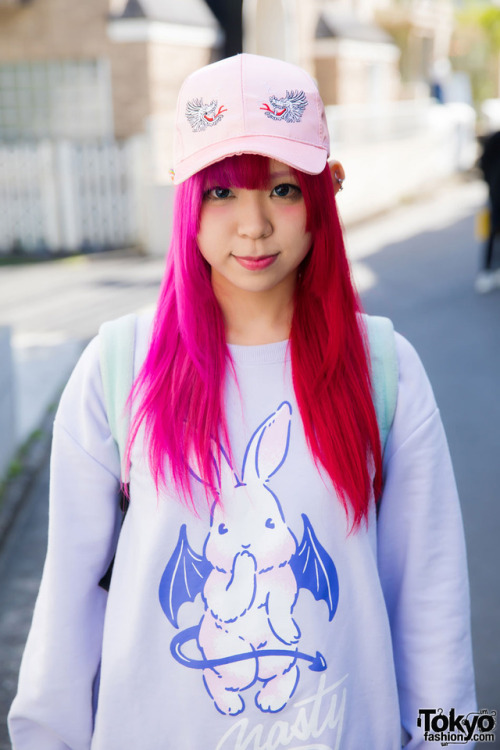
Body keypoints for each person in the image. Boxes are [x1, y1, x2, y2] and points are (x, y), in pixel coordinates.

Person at [9, 53, 476, 750]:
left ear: (326, 192)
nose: (253, 225)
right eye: (221, 193)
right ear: (183, 197)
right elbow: (69, 596)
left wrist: (455, 738)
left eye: (283, 191)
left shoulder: (384, 368)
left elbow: (433, 596)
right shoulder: (119, 366)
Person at [476, 129, 500, 292]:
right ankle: (487, 271)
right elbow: (484, 163)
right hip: (496, 195)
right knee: (492, 231)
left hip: (495, 193)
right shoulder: (496, 139)